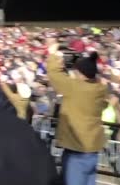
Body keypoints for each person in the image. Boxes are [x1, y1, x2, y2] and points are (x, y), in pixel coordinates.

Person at [46, 39, 107, 185]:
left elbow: (54, 73)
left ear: (80, 73)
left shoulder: (74, 88)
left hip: (77, 149)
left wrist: (53, 53)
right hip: (92, 149)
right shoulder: (100, 89)